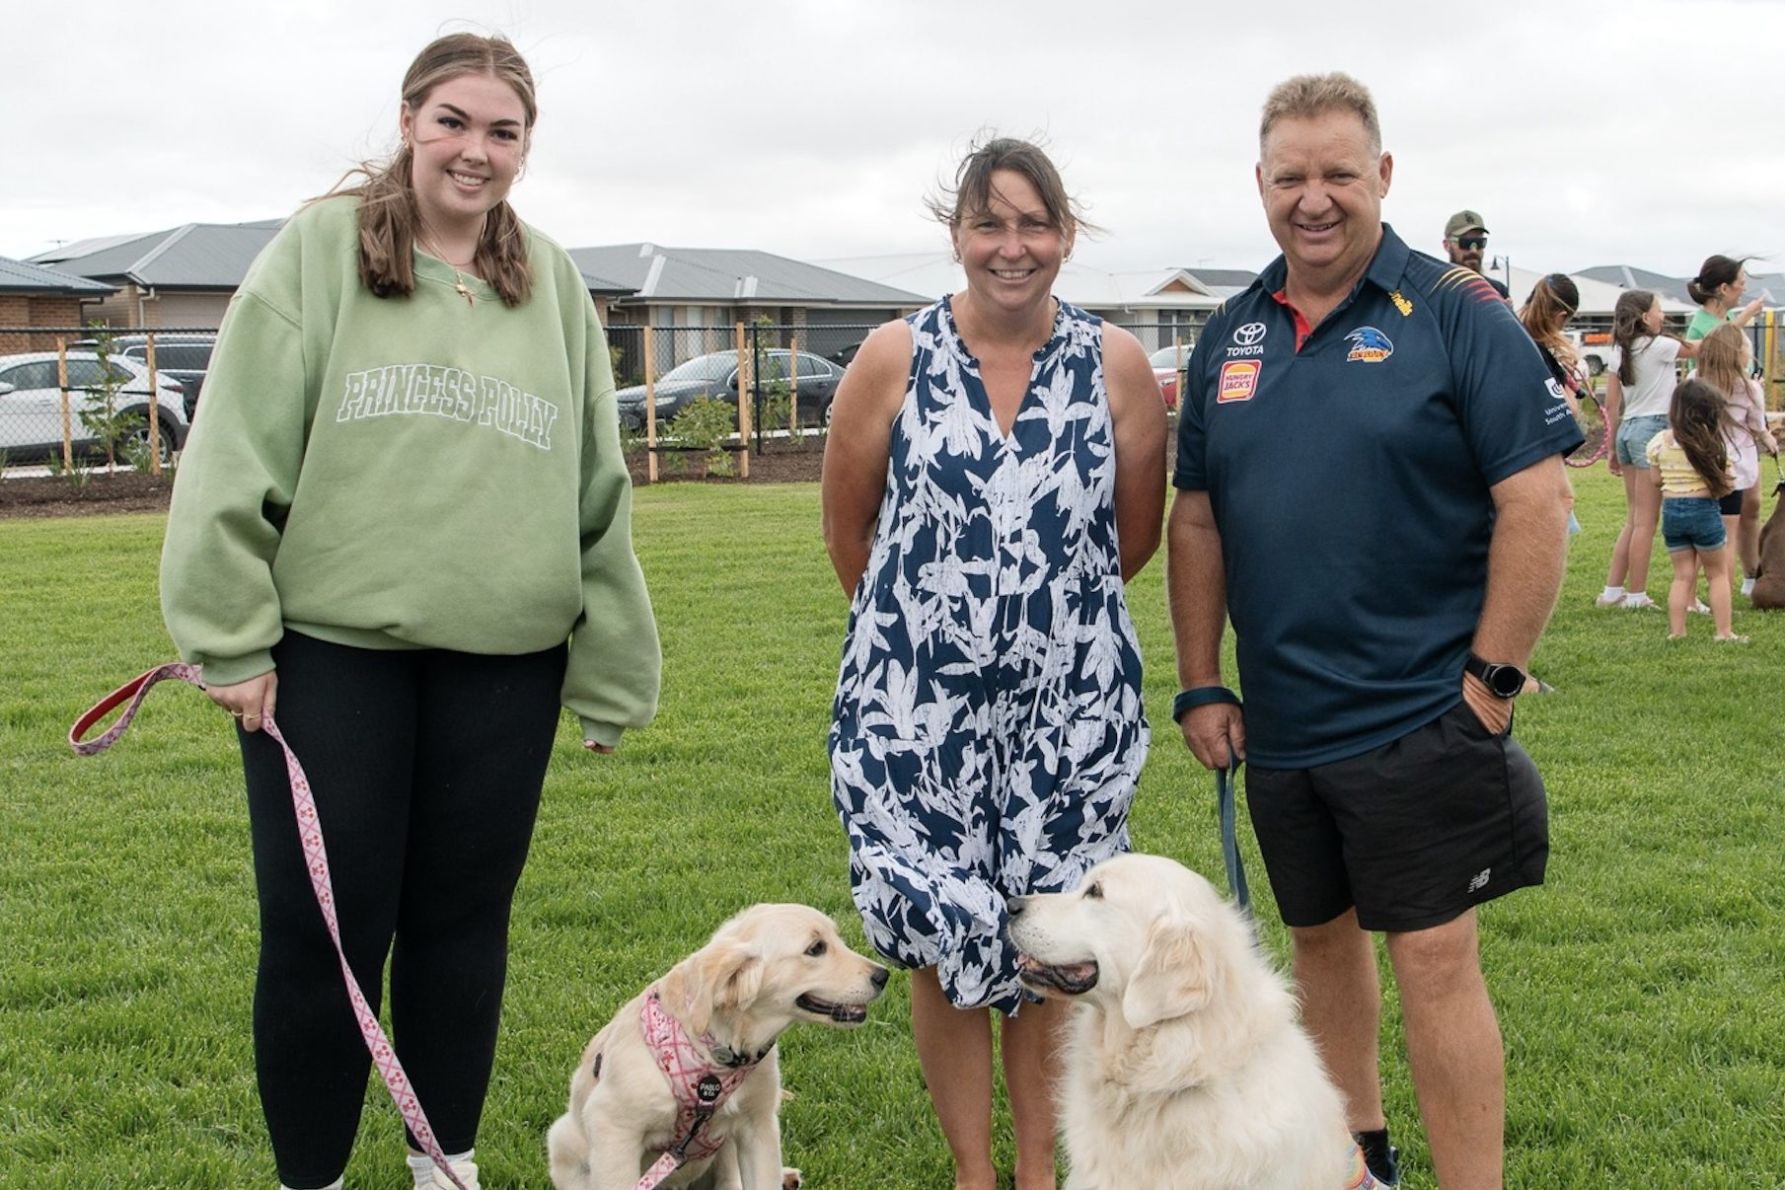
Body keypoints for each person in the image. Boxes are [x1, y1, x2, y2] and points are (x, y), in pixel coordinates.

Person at [159, 34, 660, 1190]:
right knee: (325, 935)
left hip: (507, 663)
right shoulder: (318, 256)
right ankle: (314, 1178)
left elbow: (598, 484)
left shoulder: (552, 281)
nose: (475, 151)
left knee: (461, 925)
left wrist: (612, 666)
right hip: (334, 660)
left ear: (526, 146)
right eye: (453, 122)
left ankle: (446, 1163)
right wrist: (229, 634)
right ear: (408, 120)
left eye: (502, 131)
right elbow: (231, 452)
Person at [1168, 73, 1578, 1190]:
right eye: (1291, 176)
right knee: (1320, 949)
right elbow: (1196, 514)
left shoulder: (1455, 312)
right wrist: (1203, 679)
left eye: (1338, 173)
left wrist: (1493, 677)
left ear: (1382, 176)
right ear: (1260, 186)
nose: (1315, 198)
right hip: (1285, 726)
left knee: (1436, 960)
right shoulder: (1229, 334)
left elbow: (1537, 502)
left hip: (1419, 714)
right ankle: (1356, 1167)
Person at [822, 137, 1167, 1190]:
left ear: (1065, 235)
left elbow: (1133, 539)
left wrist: (1040, 630)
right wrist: (932, 640)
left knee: (1055, 941)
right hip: (916, 711)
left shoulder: (1116, 364)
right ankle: (975, 1171)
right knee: (946, 929)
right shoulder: (894, 355)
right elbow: (852, 529)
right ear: (957, 233)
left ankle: (1037, 1172)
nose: (1011, 248)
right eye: (989, 223)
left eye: (1033, 224)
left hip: (1070, 711)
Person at [1597, 290, 1699, 611]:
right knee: (1646, 522)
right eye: (1659, 310)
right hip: (1652, 430)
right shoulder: (1661, 346)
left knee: (1633, 519)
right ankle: (1637, 595)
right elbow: (1700, 348)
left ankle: (1613, 591)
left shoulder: (1619, 351)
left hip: (1628, 430)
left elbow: (1612, 405)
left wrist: (1611, 448)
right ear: (1644, 317)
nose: (1663, 316)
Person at [1646, 379, 1746, 642]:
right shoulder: (1712, 445)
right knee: (1717, 574)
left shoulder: (1659, 442)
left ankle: (1677, 632)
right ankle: (1723, 632)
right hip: (1703, 512)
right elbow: (1727, 484)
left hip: (1671, 513)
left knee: (1682, 576)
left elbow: (1656, 480)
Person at [1697, 322, 1780, 598]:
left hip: (1701, 468)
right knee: (1728, 535)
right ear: (1736, 353)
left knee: (1704, 533)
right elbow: (1758, 426)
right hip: (1737, 471)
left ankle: (1693, 594)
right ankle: (1730, 589)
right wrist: (1769, 441)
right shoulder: (1749, 388)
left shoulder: (1694, 383)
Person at [1685, 254, 1765, 341]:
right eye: (1741, 284)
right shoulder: (1699, 329)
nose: (1744, 289)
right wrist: (1746, 315)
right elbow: (1722, 346)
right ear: (1724, 288)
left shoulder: (1728, 315)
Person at [1442, 210, 1510, 299]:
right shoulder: (1437, 291)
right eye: (1466, 243)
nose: (1473, 250)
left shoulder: (1497, 290)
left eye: (1479, 242)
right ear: (1447, 245)